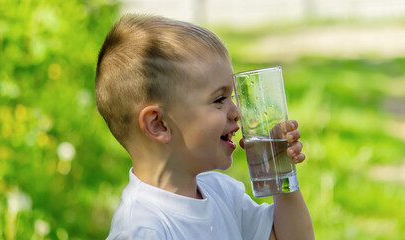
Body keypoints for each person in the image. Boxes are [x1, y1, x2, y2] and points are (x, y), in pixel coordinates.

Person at [95, 14, 314, 240]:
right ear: (158, 124)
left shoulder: (223, 193)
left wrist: (279, 173)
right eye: (219, 99)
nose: (236, 111)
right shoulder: (142, 230)